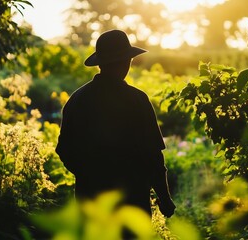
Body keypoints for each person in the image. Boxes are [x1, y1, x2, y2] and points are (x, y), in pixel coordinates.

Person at [55, 29, 176, 220]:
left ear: (100, 63)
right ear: (126, 61)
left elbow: (64, 150)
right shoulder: (137, 100)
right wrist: (165, 198)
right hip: (133, 202)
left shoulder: (77, 100)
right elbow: (153, 156)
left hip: (91, 204)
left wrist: (89, 176)